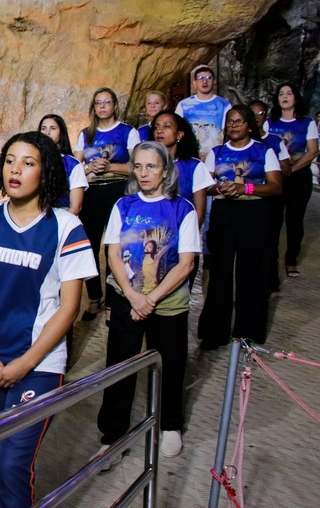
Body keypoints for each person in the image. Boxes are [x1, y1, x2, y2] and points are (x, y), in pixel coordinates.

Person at [0, 131, 96, 508]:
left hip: (38, 365)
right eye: (10, 160)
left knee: (15, 462)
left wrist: (25, 364)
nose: (15, 170)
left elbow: (69, 307)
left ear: (45, 172)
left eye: (28, 163)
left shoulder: (66, 228)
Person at [97, 142, 200, 459]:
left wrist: (151, 298)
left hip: (166, 302)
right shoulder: (123, 206)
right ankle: (113, 435)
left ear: (166, 171)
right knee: (119, 365)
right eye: (138, 166)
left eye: (151, 166)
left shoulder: (183, 209)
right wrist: (131, 295)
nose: (143, 173)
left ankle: (170, 424)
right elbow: (112, 252)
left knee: (171, 363)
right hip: (128, 297)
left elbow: (186, 263)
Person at [198, 105, 283, 349]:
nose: (234, 126)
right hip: (225, 212)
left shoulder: (263, 151)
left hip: (255, 212)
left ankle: (249, 331)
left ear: (249, 125)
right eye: (230, 122)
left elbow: (276, 186)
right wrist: (221, 187)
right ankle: (216, 331)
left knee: (252, 271)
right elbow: (206, 185)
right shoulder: (218, 151)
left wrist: (245, 188)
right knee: (220, 272)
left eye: (239, 121)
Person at [73, 88, 140, 320]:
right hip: (92, 192)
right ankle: (94, 297)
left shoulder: (128, 132)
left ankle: (114, 300)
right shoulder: (85, 134)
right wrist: (89, 168)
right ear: (93, 107)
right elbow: (75, 166)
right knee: (88, 245)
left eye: (107, 102)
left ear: (114, 105)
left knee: (115, 246)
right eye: (98, 103)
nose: (102, 106)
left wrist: (110, 167)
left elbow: (137, 166)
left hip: (118, 191)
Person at [264, 83, 319, 278]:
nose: (285, 97)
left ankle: (291, 260)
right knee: (273, 219)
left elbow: (312, 151)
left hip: (299, 177)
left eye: (289, 93)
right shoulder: (269, 123)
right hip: (276, 178)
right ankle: (271, 260)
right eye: (281, 94)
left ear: (296, 97)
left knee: (295, 219)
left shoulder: (307, 122)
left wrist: (292, 169)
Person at [250, 100, 292, 294]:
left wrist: (266, 172)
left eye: (260, 113)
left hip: (270, 198)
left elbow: (286, 168)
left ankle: (271, 282)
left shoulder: (274, 141)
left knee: (271, 240)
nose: (257, 117)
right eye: (253, 113)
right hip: (249, 201)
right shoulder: (236, 141)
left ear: (265, 116)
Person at [151, 111, 214, 229]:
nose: (159, 131)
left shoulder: (194, 166)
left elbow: (199, 214)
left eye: (166, 126)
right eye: (156, 127)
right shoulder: (147, 165)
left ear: (179, 134)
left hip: (184, 232)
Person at [176, 65, 232, 159]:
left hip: (215, 156)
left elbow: (226, 133)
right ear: (194, 83)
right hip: (189, 155)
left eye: (208, 78)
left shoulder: (224, 105)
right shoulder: (183, 105)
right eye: (200, 78)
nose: (204, 81)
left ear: (214, 82)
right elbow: (177, 130)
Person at [39, 114, 89, 215]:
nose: (47, 132)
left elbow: (76, 207)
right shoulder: (30, 161)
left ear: (61, 133)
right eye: (43, 128)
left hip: (62, 216)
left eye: (53, 128)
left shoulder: (73, 164)